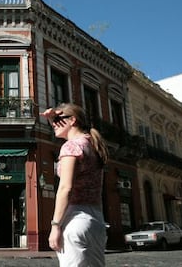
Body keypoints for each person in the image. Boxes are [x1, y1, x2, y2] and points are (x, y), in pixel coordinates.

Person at [40, 103, 109, 267]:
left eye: (57, 120)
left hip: (75, 220)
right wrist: (53, 118)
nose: (54, 124)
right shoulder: (92, 144)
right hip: (96, 221)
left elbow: (65, 188)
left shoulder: (71, 146)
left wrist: (55, 226)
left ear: (72, 120)